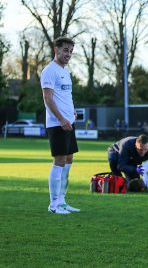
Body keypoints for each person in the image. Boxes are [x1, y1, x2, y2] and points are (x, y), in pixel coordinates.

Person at [41, 36, 80, 214]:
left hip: (69, 122)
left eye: (71, 51)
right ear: (56, 50)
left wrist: (71, 112)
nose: (68, 54)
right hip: (58, 124)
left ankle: (62, 200)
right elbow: (48, 98)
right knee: (59, 161)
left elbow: (65, 97)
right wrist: (61, 119)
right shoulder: (50, 71)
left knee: (69, 159)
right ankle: (54, 204)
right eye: (65, 50)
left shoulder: (66, 71)